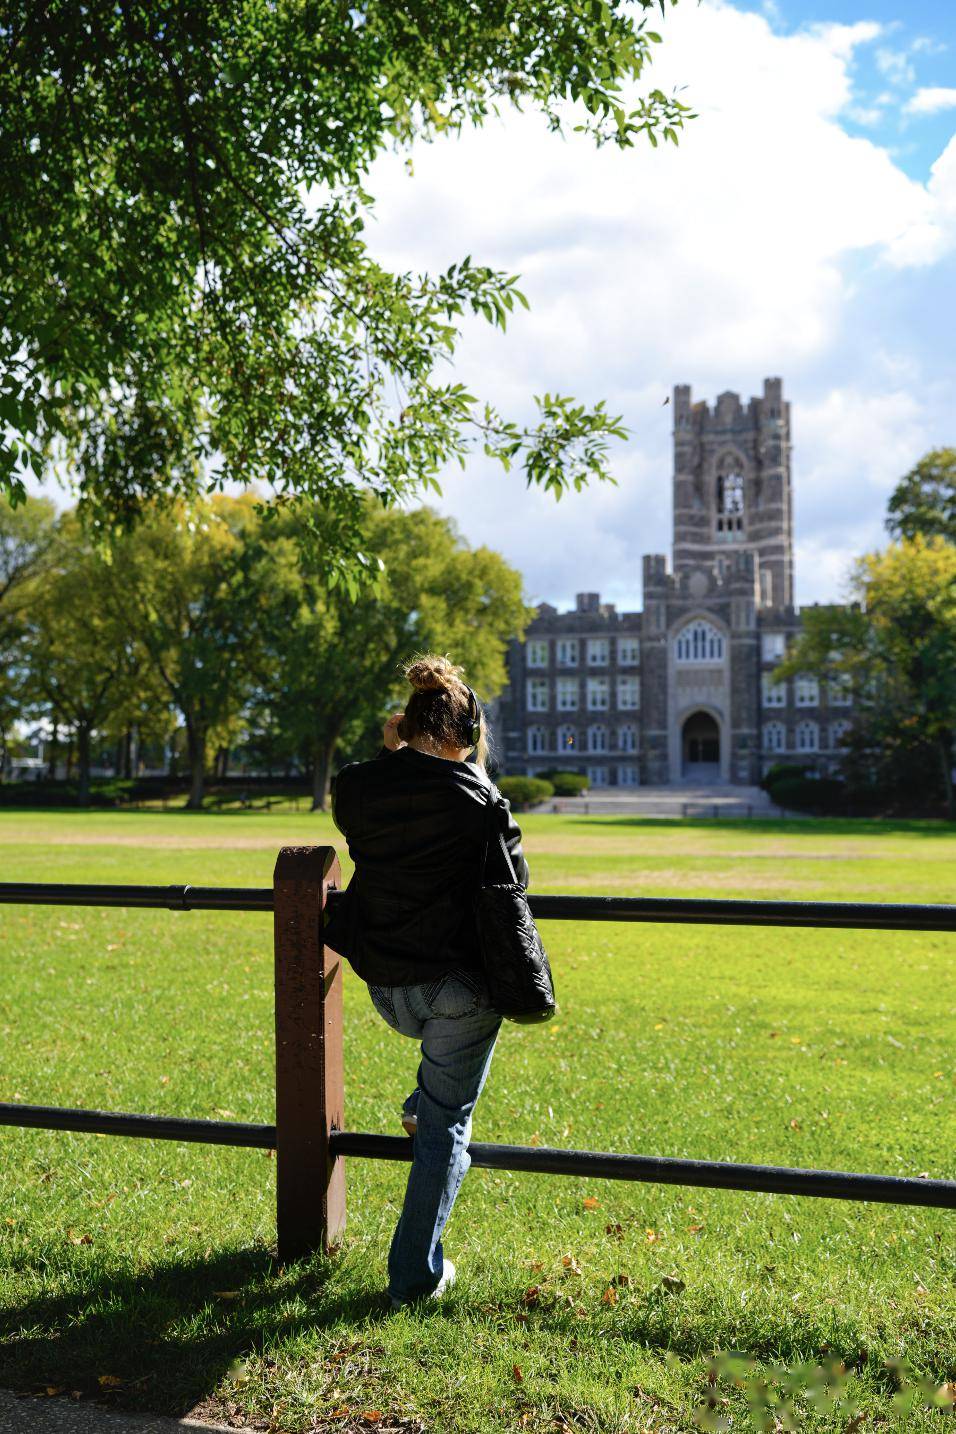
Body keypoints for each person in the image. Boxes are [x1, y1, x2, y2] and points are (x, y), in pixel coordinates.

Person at [325, 653, 529, 1310]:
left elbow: (380, 784)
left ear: (405, 725)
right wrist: (473, 775)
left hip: (386, 985)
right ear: (467, 739)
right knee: (448, 1121)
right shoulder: (480, 800)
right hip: (455, 990)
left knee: (436, 1099)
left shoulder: (354, 789)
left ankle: (420, 1105)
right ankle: (415, 1276)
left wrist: (398, 751)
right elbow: (514, 885)